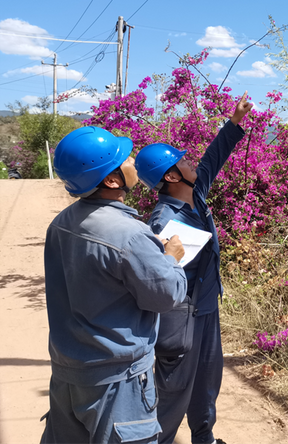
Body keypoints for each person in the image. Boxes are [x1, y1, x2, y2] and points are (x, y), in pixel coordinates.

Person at [41, 126, 188, 444]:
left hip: (69, 375)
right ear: (111, 180)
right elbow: (166, 297)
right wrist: (171, 258)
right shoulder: (130, 234)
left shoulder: (61, 223)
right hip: (117, 382)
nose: (133, 160)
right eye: (124, 158)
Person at [135, 92, 253, 444]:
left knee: (206, 380)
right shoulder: (164, 219)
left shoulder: (195, 194)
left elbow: (214, 158)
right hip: (179, 316)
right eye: (183, 162)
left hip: (205, 306)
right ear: (171, 176)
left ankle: (204, 438)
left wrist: (234, 121)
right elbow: (158, 276)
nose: (192, 164)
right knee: (174, 389)